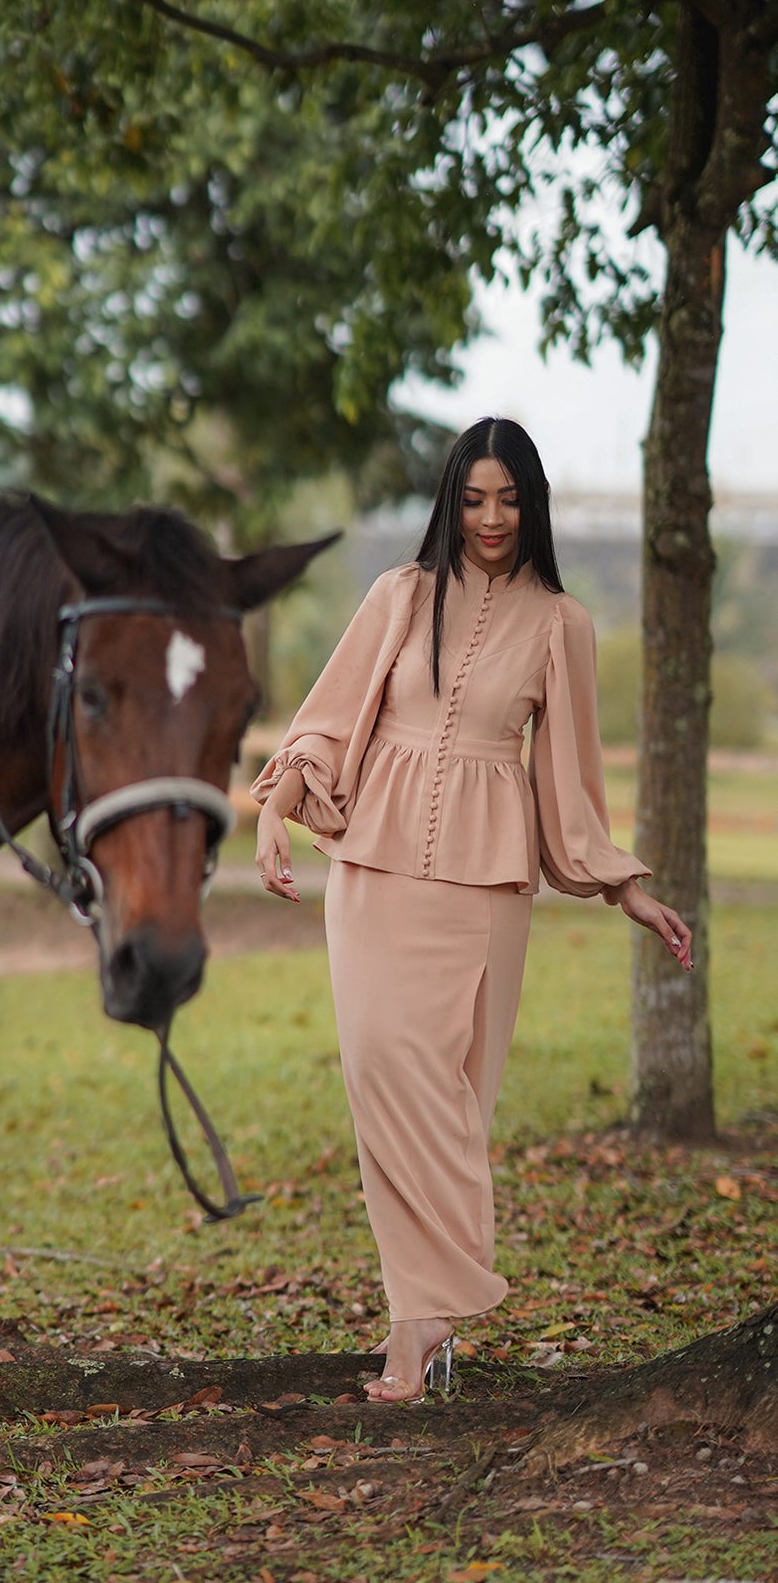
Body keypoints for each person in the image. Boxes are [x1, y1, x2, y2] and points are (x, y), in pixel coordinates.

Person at [251, 418, 692, 1403]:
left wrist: (625, 886)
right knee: (379, 1074)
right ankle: (429, 1305)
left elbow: (567, 783)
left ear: (529, 505)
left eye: (507, 499)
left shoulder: (560, 624)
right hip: (370, 871)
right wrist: (276, 810)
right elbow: (324, 719)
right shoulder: (398, 596)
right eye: (471, 498)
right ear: (449, 502)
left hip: (484, 887)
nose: (489, 518)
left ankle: (419, 1326)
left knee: (452, 1097)